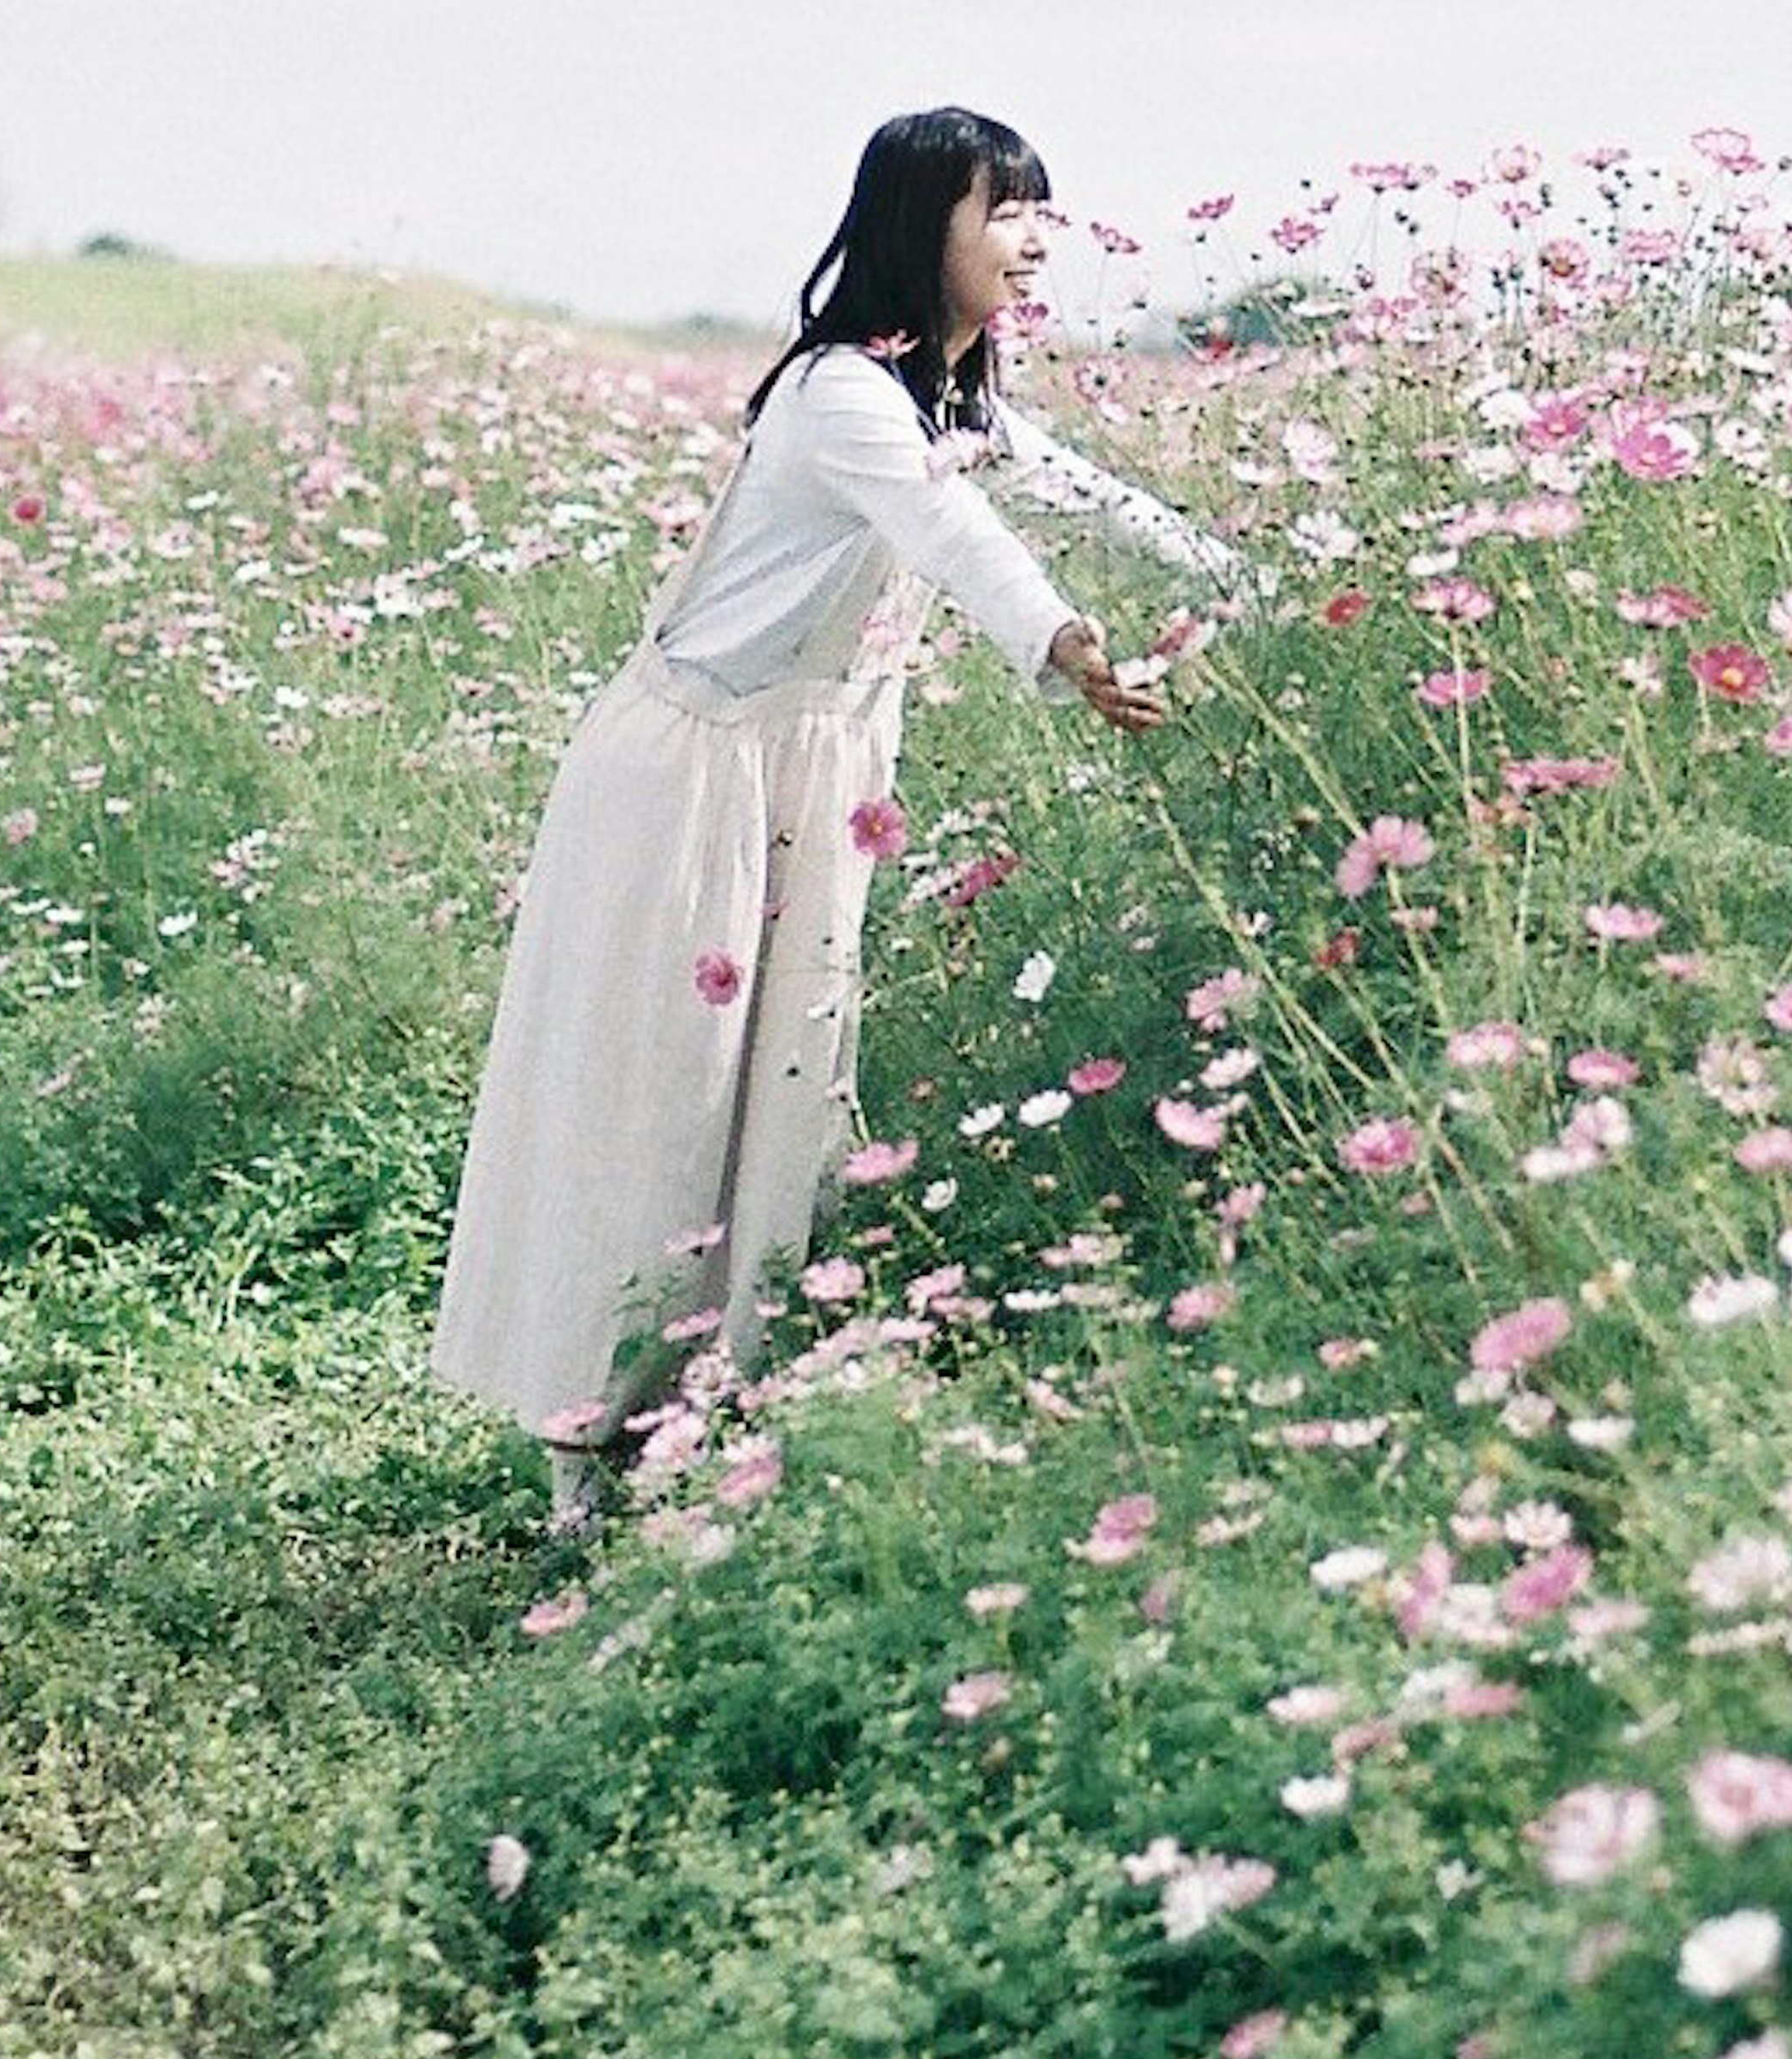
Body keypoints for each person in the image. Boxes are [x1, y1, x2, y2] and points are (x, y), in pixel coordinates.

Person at [431, 108, 1244, 1483]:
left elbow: (1079, 497)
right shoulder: (845, 398)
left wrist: (1237, 581)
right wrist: (1065, 643)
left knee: (788, 1092)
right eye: (1005, 213)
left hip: (811, 771)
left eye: (1044, 211)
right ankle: (583, 1443)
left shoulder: (951, 399)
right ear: (918, 228)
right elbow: (954, 530)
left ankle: (715, 1408)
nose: (1035, 241)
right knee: (660, 1095)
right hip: (696, 771)